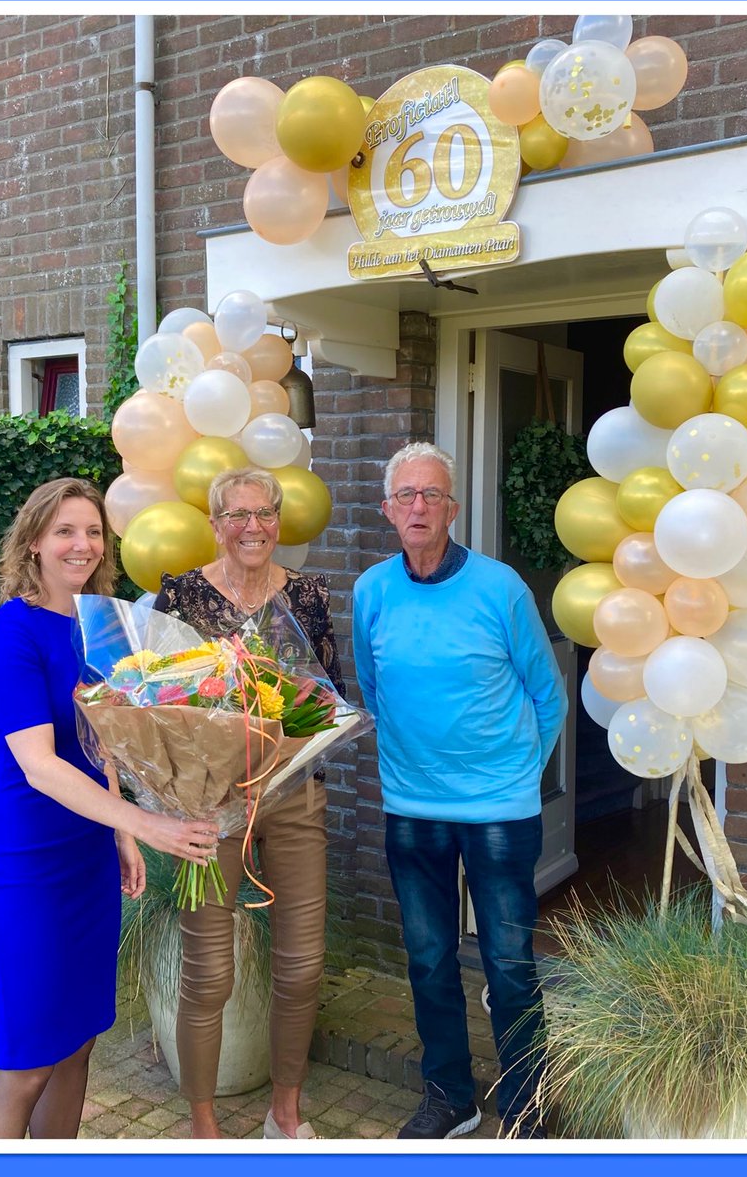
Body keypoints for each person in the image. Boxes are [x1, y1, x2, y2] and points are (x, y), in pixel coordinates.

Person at [0, 477, 218, 1139]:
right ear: (32, 543)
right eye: (64, 531)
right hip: (27, 863)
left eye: (92, 531)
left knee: (78, 1041)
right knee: (26, 1064)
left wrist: (120, 837)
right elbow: (40, 764)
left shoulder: (99, 627)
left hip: (89, 856)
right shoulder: (10, 635)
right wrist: (146, 823)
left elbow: (99, 743)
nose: (82, 544)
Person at [351, 442, 568, 1140]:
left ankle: (528, 1105)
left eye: (432, 495)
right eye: (406, 495)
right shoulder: (370, 591)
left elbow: (549, 694)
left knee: (509, 964)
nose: (419, 506)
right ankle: (451, 1096)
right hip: (411, 808)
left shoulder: (501, 589)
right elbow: (373, 688)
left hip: (500, 810)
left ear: (453, 509)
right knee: (428, 958)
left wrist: (519, 775)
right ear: (387, 509)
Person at [154, 466, 345, 1140]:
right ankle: (204, 1126)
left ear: (278, 521)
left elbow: (328, 697)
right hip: (211, 805)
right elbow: (157, 700)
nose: (252, 527)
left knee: (303, 964)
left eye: (264, 513)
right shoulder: (181, 596)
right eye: (236, 514)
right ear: (215, 524)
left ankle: (284, 1113)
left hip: (293, 795)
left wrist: (293, 736)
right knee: (208, 973)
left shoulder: (308, 595)